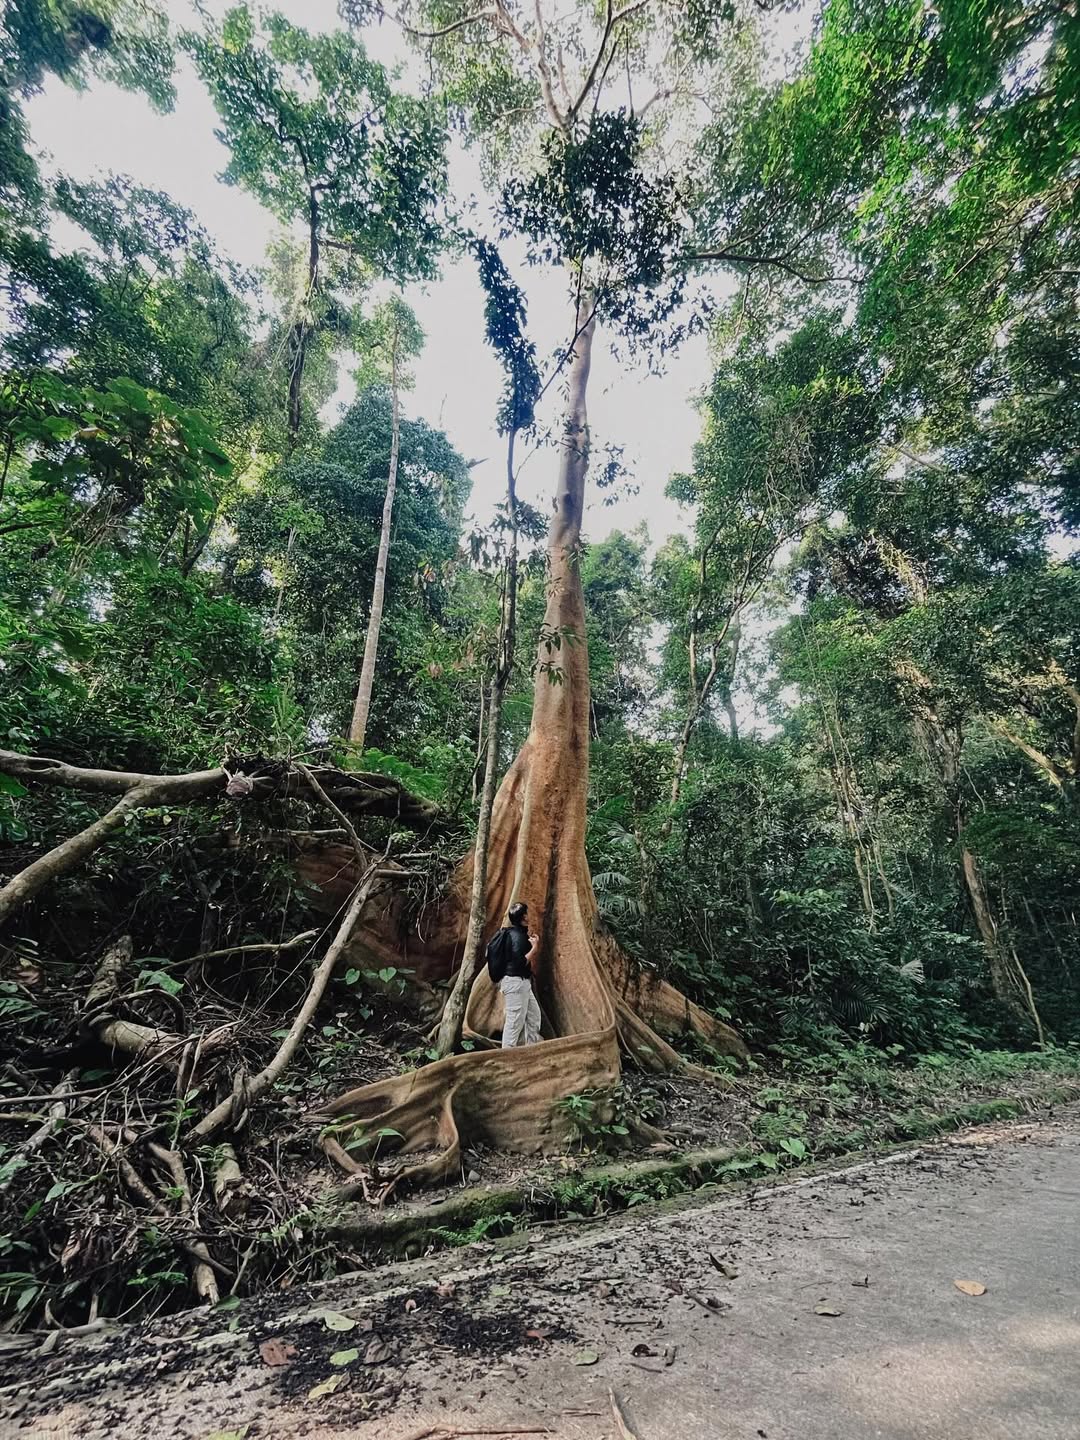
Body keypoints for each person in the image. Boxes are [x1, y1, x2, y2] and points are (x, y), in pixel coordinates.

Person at [499, 900, 541, 1048]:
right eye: (527, 913)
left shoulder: (515, 933)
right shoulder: (517, 937)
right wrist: (534, 948)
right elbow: (519, 963)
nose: (529, 916)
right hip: (515, 984)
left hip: (522, 983)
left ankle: (530, 1049)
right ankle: (507, 1058)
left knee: (534, 1016)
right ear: (524, 917)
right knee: (514, 1023)